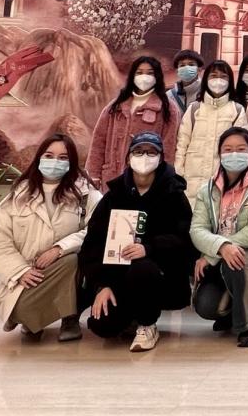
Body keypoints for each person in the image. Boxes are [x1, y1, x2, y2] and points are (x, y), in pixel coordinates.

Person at [80, 133, 195, 352]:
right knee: (103, 326)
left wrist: (150, 248)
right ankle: (132, 315)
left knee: (142, 268)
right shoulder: (114, 196)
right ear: (128, 157)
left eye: (151, 152)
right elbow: (92, 243)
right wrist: (102, 285)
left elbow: (185, 239)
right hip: (119, 275)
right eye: (138, 151)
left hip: (161, 275)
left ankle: (147, 324)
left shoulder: (174, 194)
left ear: (161, 158)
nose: (144, 157)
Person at [0, 134, 102, 342]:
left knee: (71, 260)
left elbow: (97, 229)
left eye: (63, 158)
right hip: (30, 272)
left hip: (68, 267)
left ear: (72, 162)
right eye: (49, 156)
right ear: (39, 157)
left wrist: (60, 248)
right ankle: (32, 319)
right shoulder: (18, 195)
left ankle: (70, 317)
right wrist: (19, 271)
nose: (55, 162)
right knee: (20, 310)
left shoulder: (86, 194)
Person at [190, 128, 248, 348]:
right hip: (224, 256)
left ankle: (247, 324)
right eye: (228, 149)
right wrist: (222, 247)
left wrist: (216, 253)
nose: (234, 154)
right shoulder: (207, 190)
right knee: (207, 306)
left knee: (237, 259)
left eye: (241, 149)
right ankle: (230, 311)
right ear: (219, 153)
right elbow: (197, 230)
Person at [87, 56, 181, 191]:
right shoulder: (116, 105)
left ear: (157, 76)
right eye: (139, 72)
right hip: (112, 179)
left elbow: (169, 147)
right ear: (133, 75)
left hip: (147, 180)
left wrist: (163, 178)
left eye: (150, 73)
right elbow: (99, 141)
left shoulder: (167, 108)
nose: (144, 77)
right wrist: (93, 175)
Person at [176, 59, 248, 204]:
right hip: (191, 183)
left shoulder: (237, 110)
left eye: (223, 76)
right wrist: (179, 175)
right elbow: (182, 144)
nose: (218, 80)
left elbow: (241, 147)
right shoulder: (194, 109)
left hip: (222, 183)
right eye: (214, 76)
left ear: (230, 81)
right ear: (206, 79)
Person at [170, 49, 204, 113]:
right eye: (182, 65)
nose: (187, 68)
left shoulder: (207, 92)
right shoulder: (169, 95)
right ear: (177, 70)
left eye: (191, 65)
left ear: (199, 69)